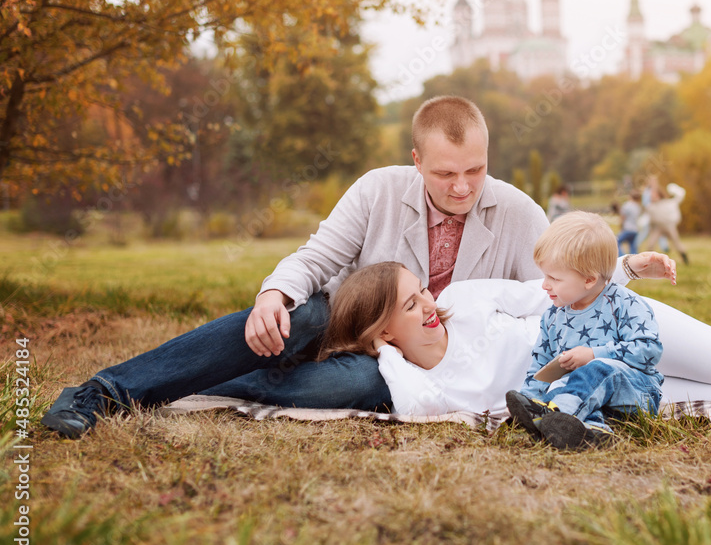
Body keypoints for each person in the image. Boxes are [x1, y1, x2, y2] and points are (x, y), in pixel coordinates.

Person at [41, 95, 551, 439]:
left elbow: (553, 304)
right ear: (416, 161)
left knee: (353, 388)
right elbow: (316, 257)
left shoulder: (520, 213)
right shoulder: (378, 190)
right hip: (345, 317)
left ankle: (197, 379)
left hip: (404, 363)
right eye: (445, 173)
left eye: (475, 170)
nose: (462, 187)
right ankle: (100, 393)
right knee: (297, 318)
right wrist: (272, 298)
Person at [323, 264, 711, 448]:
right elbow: (401, 396)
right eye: (411, 307)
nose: (429, 305)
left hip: (611, 322)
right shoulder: (412, 382)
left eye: (421, 291)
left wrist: (619, 269)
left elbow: (538, 291)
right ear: (384, 337)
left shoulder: (463, 298)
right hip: (604, 380)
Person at [506, 212, 664, 449]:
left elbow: (649, 349)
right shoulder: (552, 317)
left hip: (635, 393)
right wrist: (530, 398)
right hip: (585, 398)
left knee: (598, 369)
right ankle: (591, 432)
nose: (544, 285)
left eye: (554, 278)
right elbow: (541, 365)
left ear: (589, 280)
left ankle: (556, 416)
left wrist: (593, 355)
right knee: (561, 384)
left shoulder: (624, 303)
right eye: (544, 275)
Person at [644, 182, 689, 265]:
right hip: (658, 228)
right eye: (651, 196)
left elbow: (680, 197)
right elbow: (650, 219)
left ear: (659, 195)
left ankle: (685, 259)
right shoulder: (651, 207)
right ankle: (647, 262)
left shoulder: (668, 203)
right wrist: (653, 185)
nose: (652, 197)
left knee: (677, 243)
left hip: (669, 227)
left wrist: (674, 189)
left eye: (654, 195)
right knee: (650, 245)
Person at [617, 190, 642, 255]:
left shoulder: (627, 205)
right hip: (635, 229)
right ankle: (635, 260)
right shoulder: (638, 207)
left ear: (630, 196)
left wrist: (621, 226)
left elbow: (623, 217)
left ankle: (622, 256)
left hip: (627, 228)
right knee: (633, 247)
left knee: (616, 241)